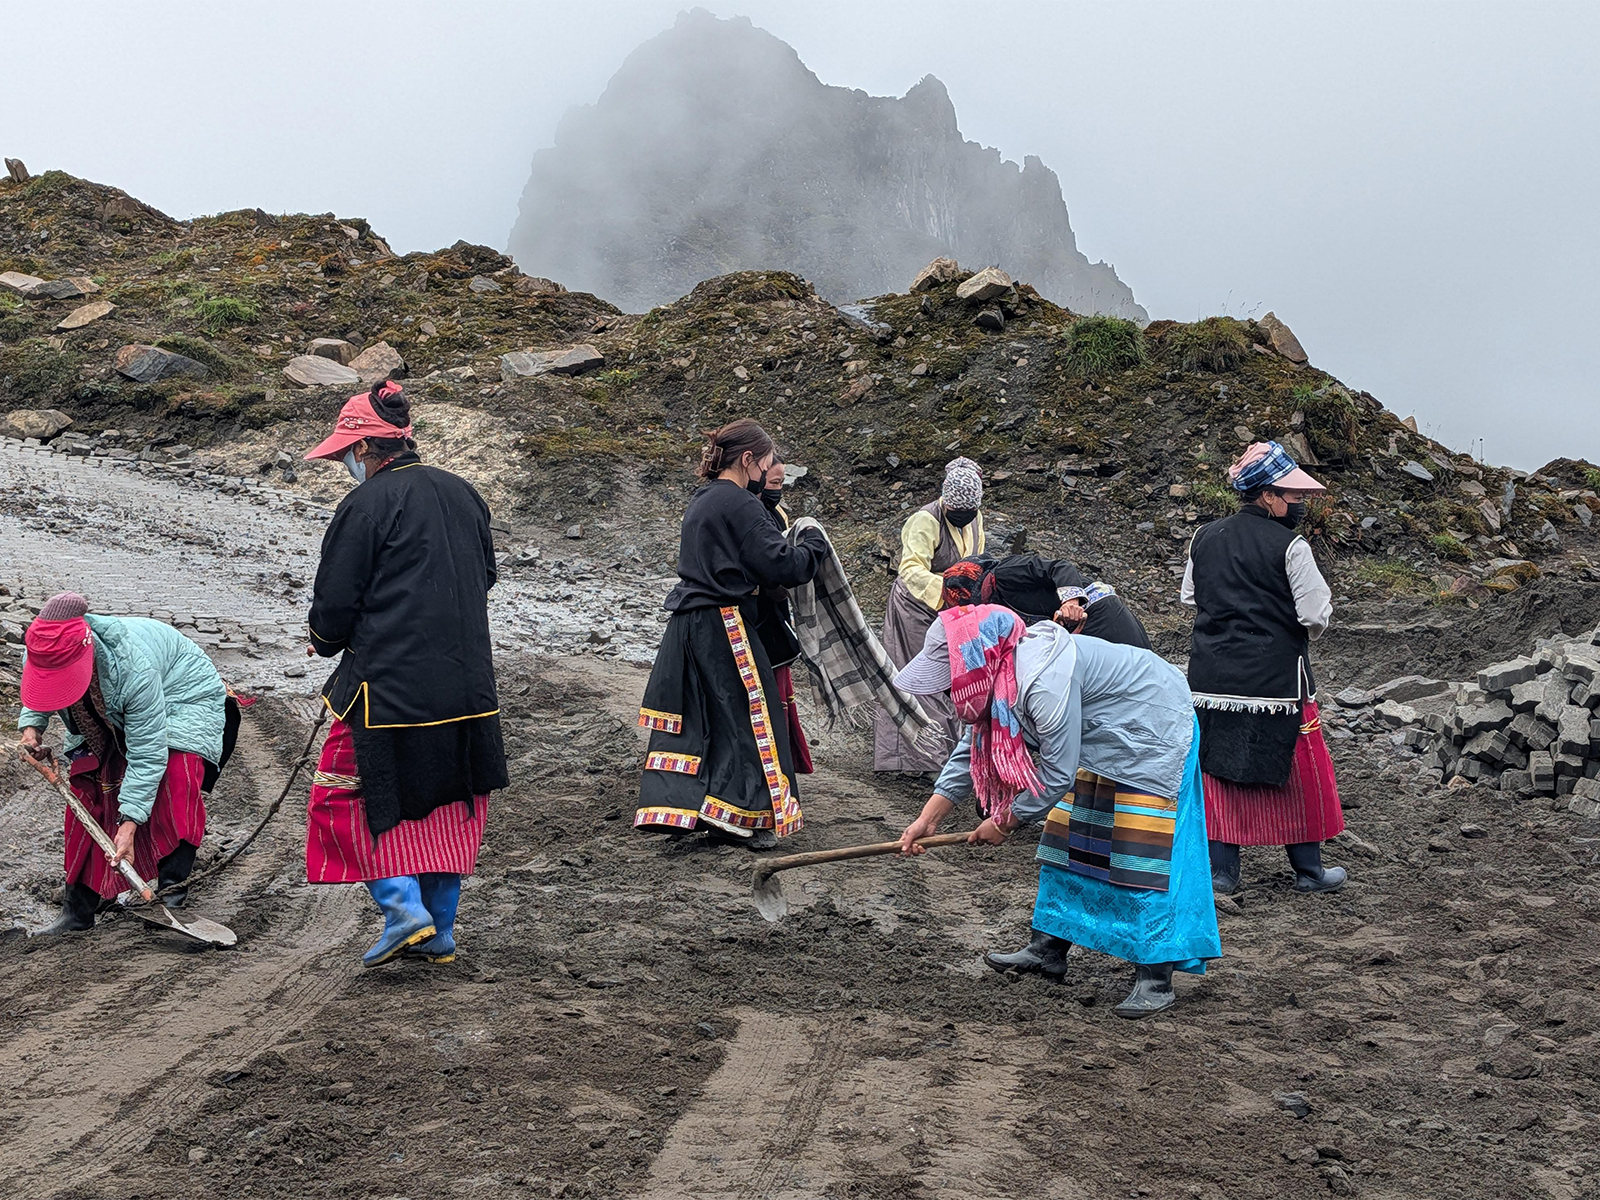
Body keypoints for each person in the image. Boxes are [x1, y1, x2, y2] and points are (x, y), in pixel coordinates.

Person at [894, 606, 1220, 1018]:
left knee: (1139, 850)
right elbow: (970, 749)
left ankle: (1155, 976)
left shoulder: (1041, 679)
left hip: (1151, 726)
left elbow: (1057, 774)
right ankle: (1047, 950)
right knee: (1069, 836)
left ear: (975, 663)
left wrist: (1005, 822)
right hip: (1099, 734)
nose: (947, 690)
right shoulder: (997, 675)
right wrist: (929, 818)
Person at [302, 380, 509, 967]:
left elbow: (335, 603)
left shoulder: (365, 505)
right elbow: (485, 577)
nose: (345, 462)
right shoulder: (463, 493)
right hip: (468, 684)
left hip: (384, 689)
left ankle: (402, 911)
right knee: (445, 802)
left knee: (340, 797)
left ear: (365, 448)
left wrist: (324, 641)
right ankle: (439, 930)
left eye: (347, 452)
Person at [634, 419, 829, 848]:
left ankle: (698, 808)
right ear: (748, 461)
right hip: (724, 621)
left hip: (689, 624)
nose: (768, 473)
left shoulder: (703, 499)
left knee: (707, 717)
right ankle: (748, 816)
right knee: (749, 716)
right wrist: (814, 541)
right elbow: (782, 564)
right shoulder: (739, 503)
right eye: (765, 462)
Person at [17, 592, 237, 934]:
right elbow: (39, 687)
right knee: (88, 786)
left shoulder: (132, 666)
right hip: (113, 703)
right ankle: (78, 910)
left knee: (175, 777)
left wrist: (129, 823)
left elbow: (147, 754)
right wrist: (32, 730)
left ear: (85, 655)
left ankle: (170, 894)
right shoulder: (44, 647)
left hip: (184, 697)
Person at [1181, 441, 1346, 896]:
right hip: (1277, 683)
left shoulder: (1203, 538)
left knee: (1218, 770)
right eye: (1293, 497)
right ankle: (1310, 872)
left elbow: (1191, 598)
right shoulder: (1292, 547)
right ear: (1268, 496)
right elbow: (1315, 615)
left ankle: (1222, 875)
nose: (1298, 505)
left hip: (1211, 681)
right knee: (1297, 771)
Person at [874, 457, 986, 773]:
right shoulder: (925, 520)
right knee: (923, 680)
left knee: (954, 680)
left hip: (952, 611)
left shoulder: (975, 518)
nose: (962, 519)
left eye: (968, 514)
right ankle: (917, 762)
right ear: (945, 503)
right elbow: (910, 568)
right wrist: (948, 590)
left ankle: (948, 757)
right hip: (916, 608)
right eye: (956, 514)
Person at [939, 552, 1152, 649]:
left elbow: (1059, 567)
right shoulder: (995, 605)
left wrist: (1071, 601)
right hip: (1076, 631)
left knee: (1140, 670)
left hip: (1098, 613)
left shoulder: (1005, 572)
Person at [752, 453, 813, 774]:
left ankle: (781, 763)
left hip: (775, 613)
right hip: (757, 617)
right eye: (774, 483)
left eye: (781, 483)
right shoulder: (751, 516)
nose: (778, 490)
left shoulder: (776, 513)